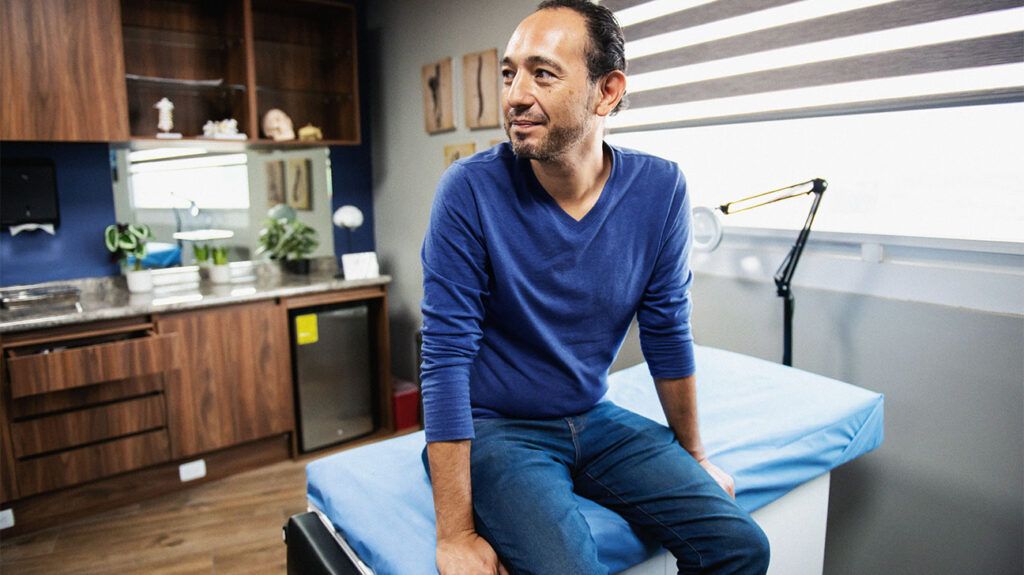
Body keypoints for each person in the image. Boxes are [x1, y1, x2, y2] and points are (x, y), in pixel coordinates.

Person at [419, 1, 770, 573]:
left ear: (607, 92)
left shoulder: (661, 187)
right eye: (509, 73)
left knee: (740, 546)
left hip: (594, 417)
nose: (514, 95)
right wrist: (454, 533)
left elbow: (666, 331)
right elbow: (444, 356)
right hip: (498, 430)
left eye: (543, 72)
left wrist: (695, 455)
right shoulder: (468, 191)